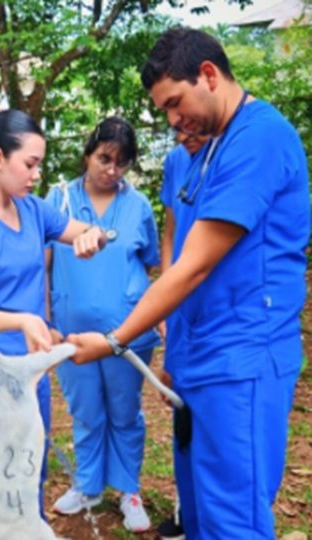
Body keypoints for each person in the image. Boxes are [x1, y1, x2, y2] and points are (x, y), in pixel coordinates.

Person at [67, 27, 310, 539]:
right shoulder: (194, 153)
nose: (173, 121)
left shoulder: (259, 139)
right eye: (165, 111)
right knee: (198, 512)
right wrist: (175, 355)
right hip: (199, 354)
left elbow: (195, 265)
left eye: (175, 103)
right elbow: (175, 257)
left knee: (233, 519)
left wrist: (116, 339)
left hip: (242, 357)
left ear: (208, 74)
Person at [0, 109, 106, 517]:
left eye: (40, 165)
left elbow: (84, 231)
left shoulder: (32, 210)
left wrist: (93, 238)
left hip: (32, 368)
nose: (36, 175)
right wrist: (22, 319)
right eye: (30, 164)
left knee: (31, 466)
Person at [44, 117, 160, 532]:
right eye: (105, 159)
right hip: (72, 330)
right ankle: (88, 484)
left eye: (122, 163)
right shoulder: (59, 201)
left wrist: (159, 320)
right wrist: (46, 320)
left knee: (125, 412)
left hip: (127, 332)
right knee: (86, 410)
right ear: (87, 153)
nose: (112, 170)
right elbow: (44, 263)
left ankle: (128, 489)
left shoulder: (139, 206)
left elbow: (151, 265)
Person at [155, 128, 209, 540]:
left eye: (188, 120)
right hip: (180, 313)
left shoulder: (237, 151)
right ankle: (185, 508)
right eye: (173, 124)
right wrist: (167, 290)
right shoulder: (176, 161)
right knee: (179, 404)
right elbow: (171, 230)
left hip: (217, 314)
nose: (181, 131)